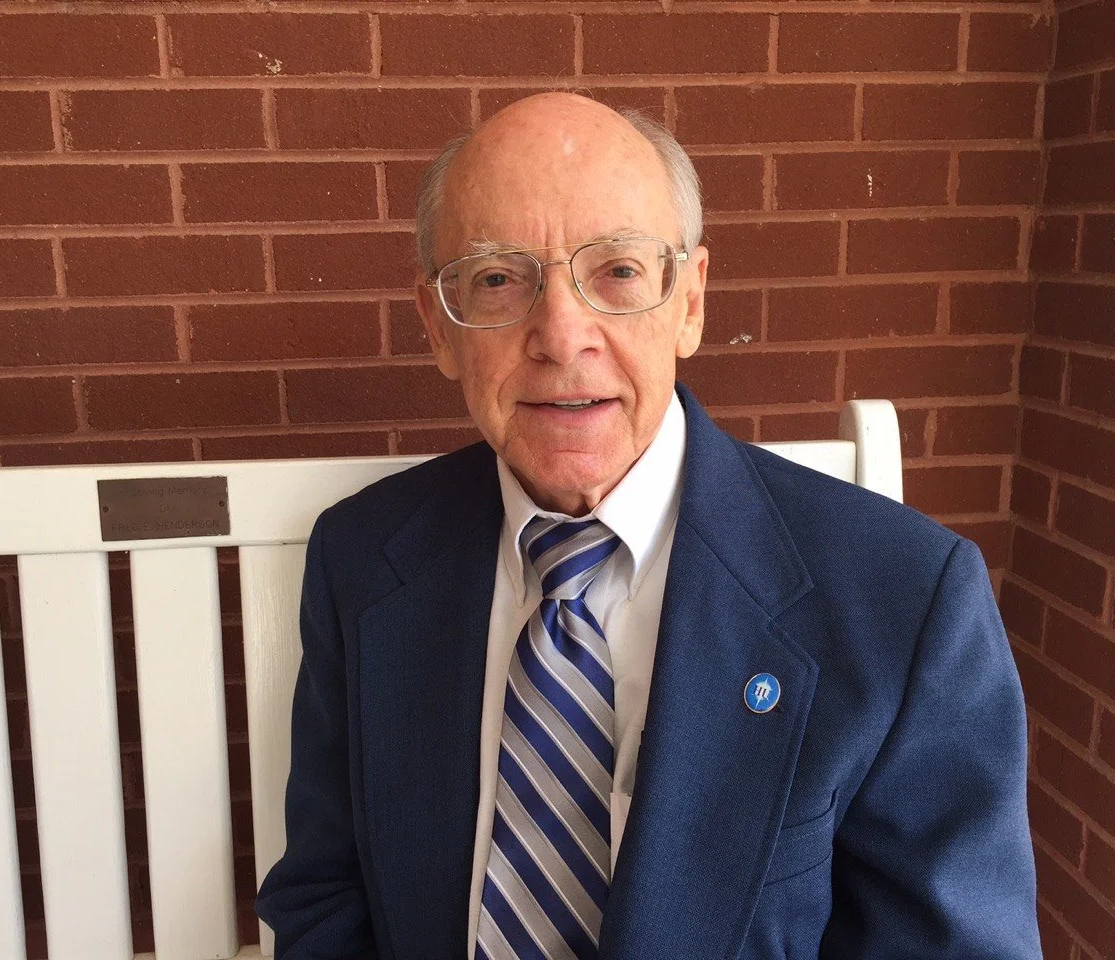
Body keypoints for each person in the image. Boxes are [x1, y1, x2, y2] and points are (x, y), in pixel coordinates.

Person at [255, 93, 1041, 960]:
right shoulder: (362, 559)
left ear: (691, 302)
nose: (561, 334)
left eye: (617, 272)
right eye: (497, 278)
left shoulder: (905, 603)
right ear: (439, 329)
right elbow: (327, 896)